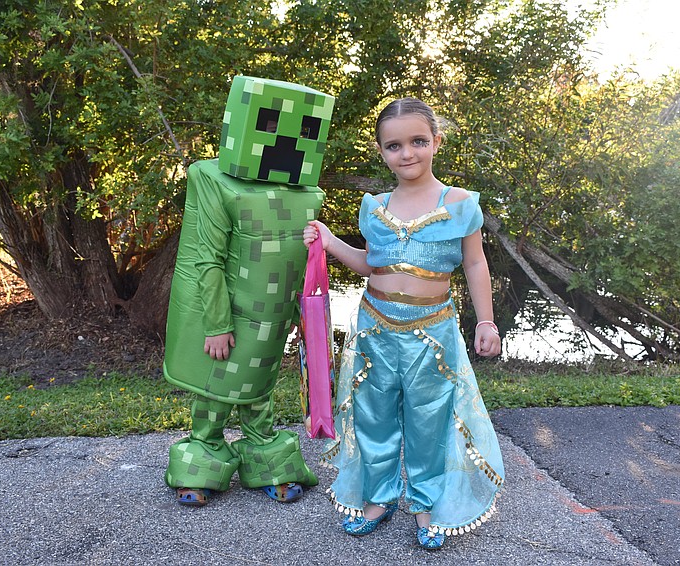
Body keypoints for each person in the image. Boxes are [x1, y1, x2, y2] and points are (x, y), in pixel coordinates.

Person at [302, 97, 505, 549]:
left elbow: (475, 265)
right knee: (373, 416)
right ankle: (378, 498)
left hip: (432, 332)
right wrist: (330, 241)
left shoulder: (460, 204)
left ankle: (426, 504)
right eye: (394, 146)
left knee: (428, 421)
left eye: (417, 141)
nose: (407, 153)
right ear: (381, 151)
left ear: (436, 142)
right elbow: (370, 266)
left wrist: (486, 322)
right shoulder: (374, 207)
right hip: (375, 328)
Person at [164, 76, 334, 507]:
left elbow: (301, 259)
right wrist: (216, 324)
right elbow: (208, 258)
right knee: (216, 392)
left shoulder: (304, 194)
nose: (283, 136)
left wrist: (303, 311)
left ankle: (268, 460)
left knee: (259, 388)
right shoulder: (215, 181)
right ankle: (200, 461)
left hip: (272, 314)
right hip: (231, 313)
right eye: (269, 122)